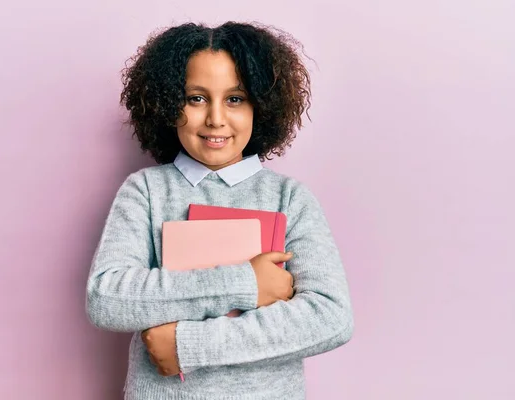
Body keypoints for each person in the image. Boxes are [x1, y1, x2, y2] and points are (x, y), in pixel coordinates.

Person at [86, 21, 354, 400]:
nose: (215, 118)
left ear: (261, 105)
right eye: (196, 98)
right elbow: (107, 297)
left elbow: (330, 316)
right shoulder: (145, 191)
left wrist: (189, 345)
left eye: (235, 99)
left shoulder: (290, 198)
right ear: (167, 103)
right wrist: (246, 284)